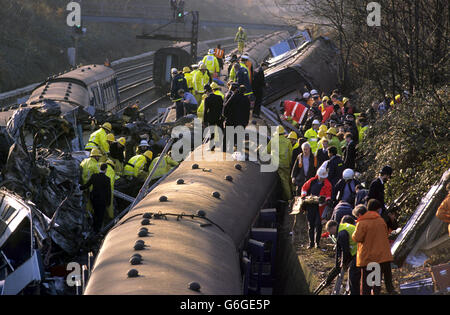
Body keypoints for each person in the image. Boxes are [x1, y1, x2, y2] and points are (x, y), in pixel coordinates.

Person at [352, 199, 396, 295]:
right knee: (376, 282)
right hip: (380, 257)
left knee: (366, 284)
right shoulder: (381, 221)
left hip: (368, 257)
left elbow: (357, 238)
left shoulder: (362, 222)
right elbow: (386, 234)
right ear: (377, 210)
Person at [325, 218, 360, 295]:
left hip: (359, 251)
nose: (332, 235)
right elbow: (341, 248)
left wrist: (344, 263)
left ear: (333, 227)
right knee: (355, 275)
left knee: (353, 275)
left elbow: (345, 250)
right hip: (359, 250)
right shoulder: (343, 226)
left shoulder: (341, 233)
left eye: (331, 233)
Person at [301, 166, 332, 248]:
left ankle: (317, 243)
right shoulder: (311, 181)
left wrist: (328, 200)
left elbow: (328, 193)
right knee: (311, 224)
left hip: (320, 207)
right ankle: (311, 242)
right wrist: (303, 196)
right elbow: (304, 188)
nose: (322, 179)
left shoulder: (327, 183)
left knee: (318, 225)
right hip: (310, 205)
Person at [80, 163, 111, 233]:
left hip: (94, 199)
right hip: (102, 201)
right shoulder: (107, 179)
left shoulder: (94, 176)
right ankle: (98, 231)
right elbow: (108, 192)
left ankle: (93, 228)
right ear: (106, 169)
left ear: (100, 168)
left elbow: (87, 185)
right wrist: (108, 202)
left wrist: (79, 187)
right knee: (100, 216)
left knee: (95, 214)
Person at [267, 126, 293, 201]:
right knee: (288, 180)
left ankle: (289, 198)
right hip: (286, 164)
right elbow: (290, 154)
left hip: (277, 164)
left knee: (284, 182)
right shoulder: (288, 142)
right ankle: (291, 195)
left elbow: (268, 151)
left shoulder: (273, 140)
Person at [222, 85, 251, 151]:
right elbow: (247, 112)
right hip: (240, 121)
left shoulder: (234, 97)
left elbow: (226, 106)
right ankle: (235, 150)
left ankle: (224, 149)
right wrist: (246, 122)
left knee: (227, 135)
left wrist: (225, 116)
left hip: (230, 120)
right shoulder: (246, 100)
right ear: (244, 92)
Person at [203, 84, 224, 150]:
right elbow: (222, 108)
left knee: (212, 132)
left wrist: (204, 120)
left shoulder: (207, 99)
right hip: (219, 117)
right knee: (221, 131)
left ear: (207, 92)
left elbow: (205, 110)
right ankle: (223, 145)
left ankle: (211, 147)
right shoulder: (219, 97)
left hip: (211, 117)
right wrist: (222, 116)